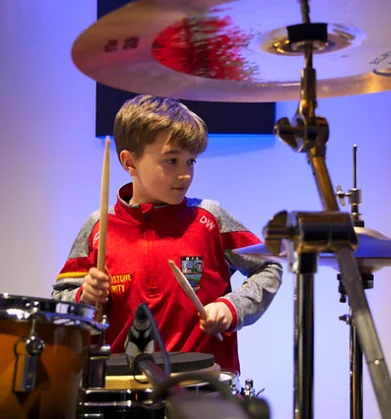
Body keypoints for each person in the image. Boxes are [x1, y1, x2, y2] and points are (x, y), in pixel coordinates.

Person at [51, 95, 283, 374]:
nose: (185, 174)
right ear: (130, 162)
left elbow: (269, 266)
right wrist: (83, 297)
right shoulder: (99, 226)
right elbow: (57, 303)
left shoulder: (210, 218)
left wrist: (231, 308)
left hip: (203, 387)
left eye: (191, 162)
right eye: (172, 160)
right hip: (122, 389)